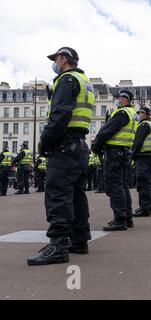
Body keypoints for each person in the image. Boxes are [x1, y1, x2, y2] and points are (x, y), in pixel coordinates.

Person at [27, 47, 95, 266]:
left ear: (63, 59)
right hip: (79, 144)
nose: (54, 63)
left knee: (58, 194)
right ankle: (79, 240)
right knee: (76, 194)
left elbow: (60, 114)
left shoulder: (66, 80)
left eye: (56, 58)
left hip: (64, 145)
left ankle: (58, 244)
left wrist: (44, 142)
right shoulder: (84, 81)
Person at [92, 90, 138, 231]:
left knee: (114, 186)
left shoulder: (122, 113)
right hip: (124, 152)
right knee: (123, 185)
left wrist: (96, 146)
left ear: (125, 99)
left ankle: (120, 219)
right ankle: (127, 217)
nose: (117, 100)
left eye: (119, 98)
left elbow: (106, 131)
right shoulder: (133, 115)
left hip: (114, 153)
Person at [131, 106, 151, 217]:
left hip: (143, 157)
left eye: (141, 113)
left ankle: (144, 208)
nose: (139, 115)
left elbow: (138, 142)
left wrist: (132, 155)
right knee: (150, 183)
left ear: (146, 114)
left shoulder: (143, 125)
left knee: (143, 183)